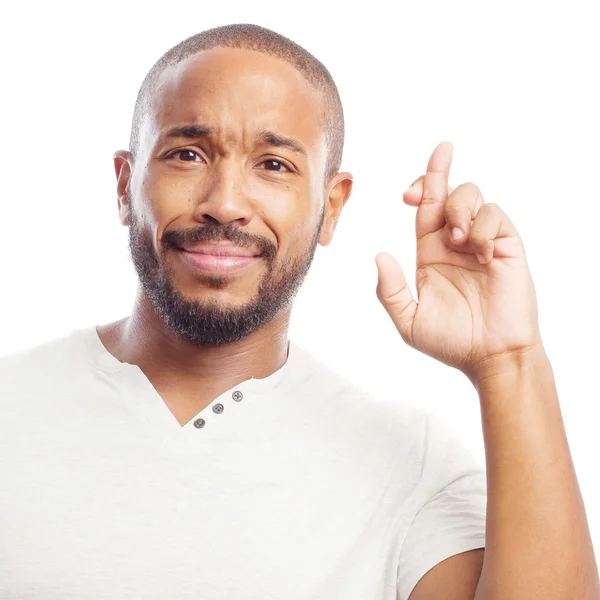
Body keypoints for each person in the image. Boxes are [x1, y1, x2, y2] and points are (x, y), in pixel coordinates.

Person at [0, 22, 597, 600]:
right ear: (125, 186)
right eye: (186, 154)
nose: (226, 204)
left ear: (331, 207)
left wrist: (510, 362)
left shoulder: (410, 466)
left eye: (274, 165)